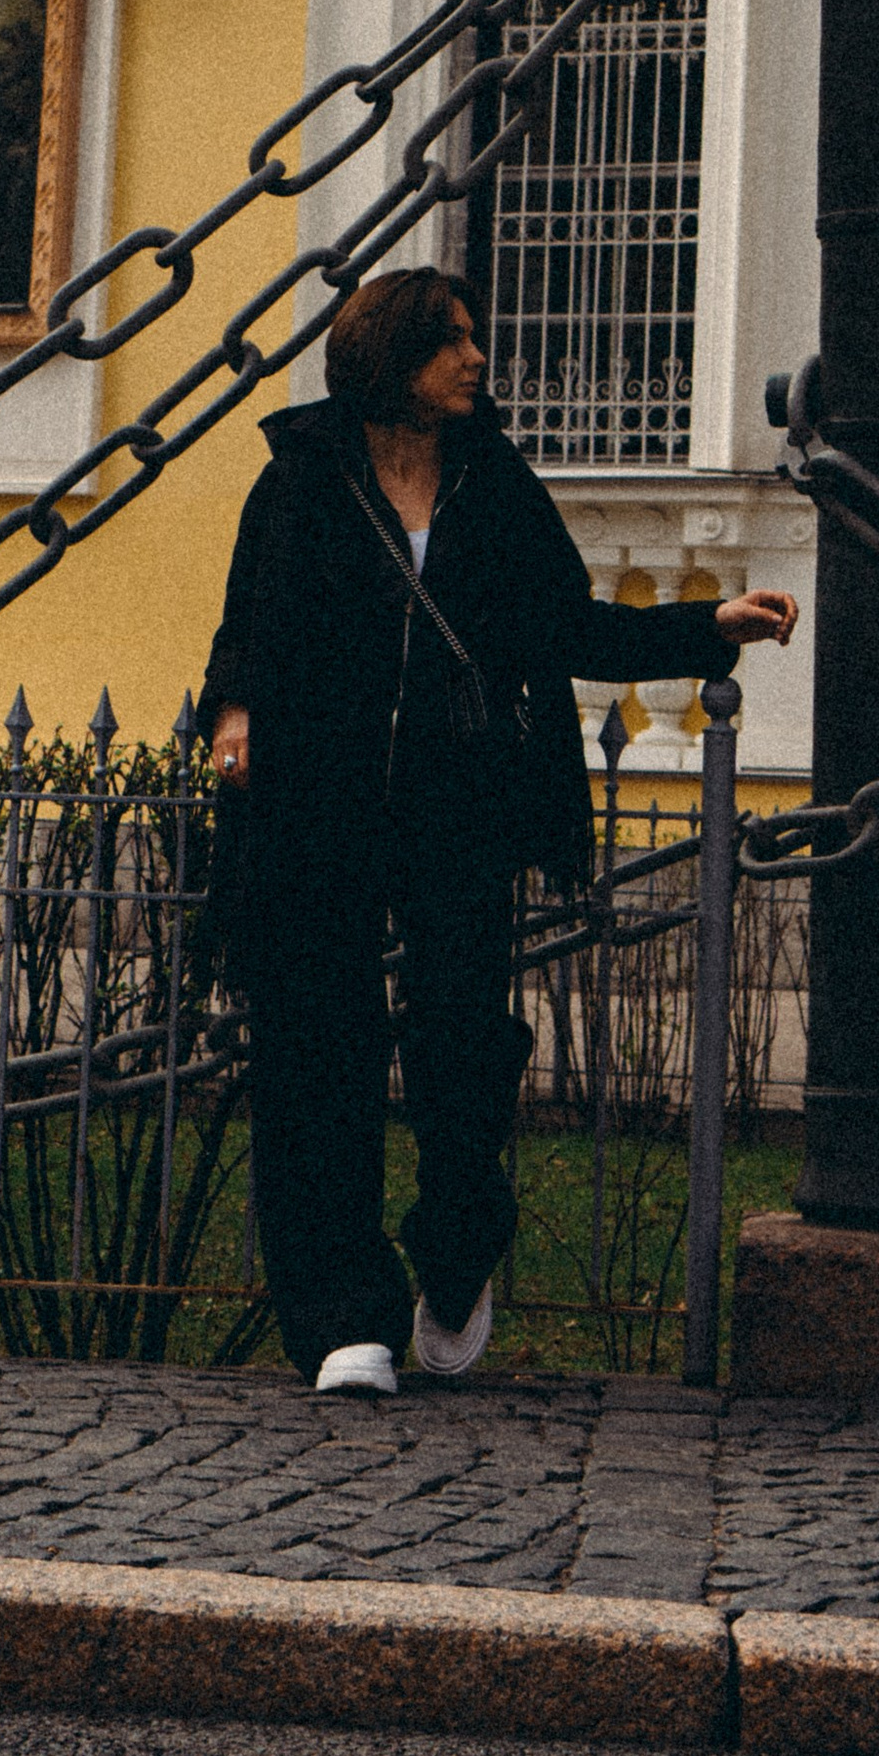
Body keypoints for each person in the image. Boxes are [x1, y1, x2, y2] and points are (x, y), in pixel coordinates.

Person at [199, 265, 797, 1397]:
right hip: (321, 803)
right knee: (317, 1049)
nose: (477, 359)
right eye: (452, 341)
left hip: (458, 800)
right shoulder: (303, 476)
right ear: (392, 355)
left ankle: (458, 1249)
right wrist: (234, 711)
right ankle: (341, 1318)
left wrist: (703, 627)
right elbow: (252, 619)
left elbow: (566, 623)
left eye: (474, 339)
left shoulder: (494, 482)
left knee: (465, 1048)